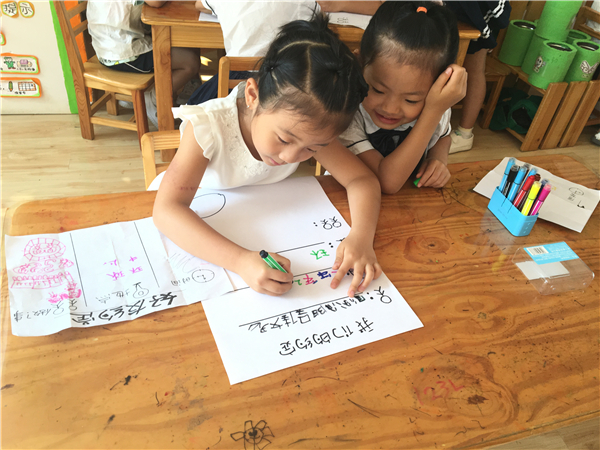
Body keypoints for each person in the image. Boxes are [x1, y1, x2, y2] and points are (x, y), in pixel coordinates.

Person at [151, 14, 382, 298]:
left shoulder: (310, 128)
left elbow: (362, 180)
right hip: (200, 225)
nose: (292, 156)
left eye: (312, 149)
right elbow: (167, 210)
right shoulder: (209, 127)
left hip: (262, 217)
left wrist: (361, 236)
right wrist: (239, 261)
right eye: (284, 139)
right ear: (252, 95)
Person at [337, 1, 467, 194]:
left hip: (408, 200)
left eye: (411, 100)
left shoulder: (437, 103)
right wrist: (432, 113)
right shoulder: (348, 111)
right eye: (378, 90)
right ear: (359, 64)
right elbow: (387, 182)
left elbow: (443, 136)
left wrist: (437, 159)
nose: (390, 109)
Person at [189, 1, 382, 104]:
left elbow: (199, 4)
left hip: (232, 87)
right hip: (289, 82)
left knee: (195, 107)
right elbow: (378, 5)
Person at [87, 0, 201, 125]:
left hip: (109, 45)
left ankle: (185, 92)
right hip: (123, 53)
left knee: (188, 40)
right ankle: (154, 98)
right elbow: (156, 2)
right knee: (190, 64)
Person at [445, 1, 511, 153]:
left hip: (476, 11)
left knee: (474, 68)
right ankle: (463, 134)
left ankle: (464, 134)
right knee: (474, 69)